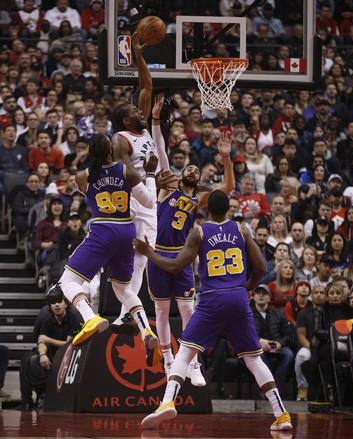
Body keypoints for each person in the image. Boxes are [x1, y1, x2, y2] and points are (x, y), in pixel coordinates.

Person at [134, 190, 292, 432]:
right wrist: (246, 287)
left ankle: (167, 402)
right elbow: (260, 266)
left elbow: (176, 266)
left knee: (185, 352)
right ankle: (281, 414)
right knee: (253, 358)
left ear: (207, 211)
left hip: (213, 299)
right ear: (229, 209)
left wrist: (149, 253)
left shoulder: (199, 231)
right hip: (239, 298)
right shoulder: (242, 229)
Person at [59, 134, 162, 368]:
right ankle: (146, 331)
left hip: (103, 228)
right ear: (110, 150)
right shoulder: (127, 171)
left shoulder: (82, 176)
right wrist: (151, 175)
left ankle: (89, 318)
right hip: (126, 231)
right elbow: (148, 203)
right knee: (123, 289)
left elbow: (91, 192)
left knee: (68, 281)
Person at [147, 132, 234, 385]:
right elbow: (160, 148)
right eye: (190, 168)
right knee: (161, 312)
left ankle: (192, 363)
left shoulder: (200, 198)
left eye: (197, 170)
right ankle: (168, 360)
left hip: (182, 256)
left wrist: (226, 159)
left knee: (188, 311)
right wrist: (155, 123)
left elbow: (227, 188)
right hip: (158, 253)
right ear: (181, 172)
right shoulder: (167, 189)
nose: (194, 171)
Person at [109, 32, 177, 334]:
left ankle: (125, 315)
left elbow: (147, 85)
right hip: (131, 197)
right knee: (120, 256)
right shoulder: (120, 139)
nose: (140, 110)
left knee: (142, 257)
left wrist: (139, 55)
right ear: (126, 121)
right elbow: (126, 175)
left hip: (149, 193)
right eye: (135, 111)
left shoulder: (144, 132)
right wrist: (151, 176)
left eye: (139, 108)